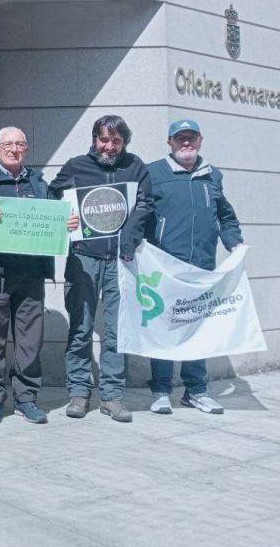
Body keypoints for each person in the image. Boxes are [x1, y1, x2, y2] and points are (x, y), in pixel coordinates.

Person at [0, 127, 78, 425]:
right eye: (7, 144)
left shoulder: (39, 182)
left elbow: (54, 217)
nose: (14, 149)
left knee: (30, 340)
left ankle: (26, 398)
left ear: (26, 149)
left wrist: (65, 222)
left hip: (31, 274)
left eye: (20, 144)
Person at [49, 114, 152, 423]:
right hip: (83, 258)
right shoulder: (76, 166)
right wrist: (64, 219)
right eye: (104, 139)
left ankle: (111, 396)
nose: (109, 146)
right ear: (95, 139)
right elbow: (52, 197)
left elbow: (146, 205)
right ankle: (79, 393)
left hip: (120, 263)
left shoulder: (136, 167)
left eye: (116, 141)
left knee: (116, 331)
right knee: (80, 327)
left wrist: (128, 241)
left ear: (124, 142)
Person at [146, 119, 242, 415]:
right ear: (169, 142)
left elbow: (225, 216)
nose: (185, 143)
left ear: (200, 140)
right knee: (164, 329)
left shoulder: (212, 175)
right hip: (164, 266)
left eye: (190, 138)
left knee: (197, 329)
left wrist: (235, 243)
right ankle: (161, 390)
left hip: (201, 267)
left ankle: (195, 391)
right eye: (179, 138)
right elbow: (142, 214)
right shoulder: (153, 173)